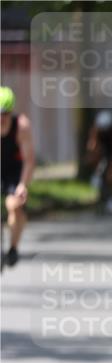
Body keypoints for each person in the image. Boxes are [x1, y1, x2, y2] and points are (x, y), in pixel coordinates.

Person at [1, 86, 35, 268]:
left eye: (4, 114)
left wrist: (23, 184)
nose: (1, 118)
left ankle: (13, 248)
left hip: (15, 170)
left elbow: (29, 160)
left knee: (14, 206)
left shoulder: (21, 126)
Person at [87, 110, 112, 210]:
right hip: (101, 148)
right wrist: (92, 152)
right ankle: (97, 180)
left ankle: (111, 198)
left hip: (111, 150)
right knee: (96, 161)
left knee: (110, 175)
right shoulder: (96, 128)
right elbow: (92, 142)